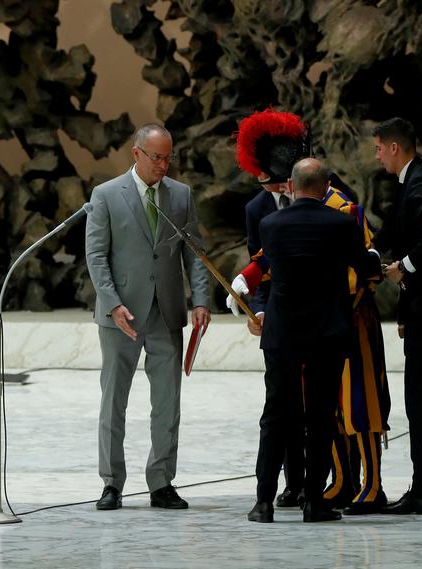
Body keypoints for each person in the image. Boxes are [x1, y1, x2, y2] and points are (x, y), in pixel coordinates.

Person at [229, 111, 391, 515]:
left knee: (281, 416)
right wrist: (376, 261)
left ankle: (264, 500)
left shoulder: (272, 223)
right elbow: (367, 264)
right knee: (322, 417)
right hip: (328, 329)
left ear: (290, 184)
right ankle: (314, 499)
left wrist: (243, 284)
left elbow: (262, 264)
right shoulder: (340, 221)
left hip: (285, 333)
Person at [85, 123, 210, 511]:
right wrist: (111, 302)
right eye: (156, 157)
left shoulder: (181, 195)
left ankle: (161, 482)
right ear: (136, 154)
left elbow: (195, 252)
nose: (163, 164)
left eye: (168, 157)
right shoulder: (105, 195)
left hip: (166, 311)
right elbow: (96, 256)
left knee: (168, 401)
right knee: (114, 400)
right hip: (121, 313)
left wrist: (201, 299)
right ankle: (112, 483)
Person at [228, 109, 309, 509]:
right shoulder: (256, 210)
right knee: (283, 404)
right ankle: (291, 483)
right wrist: (255, 311)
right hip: (278, 315)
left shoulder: (324, 191)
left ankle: (324, 483)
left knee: (321, 406)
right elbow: (256, 267)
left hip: (318, 313)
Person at [372, 117, 422, 515]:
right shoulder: (411, 181)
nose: (376, 156)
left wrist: (402, 267)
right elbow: (392, 231)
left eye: (378, 148)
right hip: (420, 309)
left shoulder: (421, 183)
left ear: (394, 147)